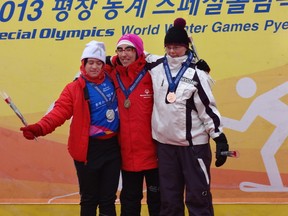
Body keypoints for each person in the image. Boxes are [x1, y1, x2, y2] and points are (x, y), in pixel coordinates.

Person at [20, 40, 121, 216]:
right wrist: (39, 128)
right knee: (89, 199)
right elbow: (58, 112)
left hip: (113, 148)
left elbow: (122, 59)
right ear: (83, 64)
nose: (95, 67)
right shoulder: (74, 88)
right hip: (88, 150)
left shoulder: (111, 77)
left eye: (98, 63)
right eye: (90, 62)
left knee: (108, 199)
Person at [145, 18, 229, 216]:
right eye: (169, 47)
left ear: (186, 47)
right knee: (169, 200)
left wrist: (220, 139)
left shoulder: (197, 74)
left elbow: (208, 109)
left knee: (198, 198)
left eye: (177, 47)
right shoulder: (155, 66)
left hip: (193, 148)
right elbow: (135, 53)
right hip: (165, 146)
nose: (172, 52)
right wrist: (110, 60)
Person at [105, 34, 160, 216]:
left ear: (138, 52)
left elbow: (174, 66)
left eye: (129, 49)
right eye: (120, 50)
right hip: (128, 154)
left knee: (158, 201)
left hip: (155, 153)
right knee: (129, 201)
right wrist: (108, 60)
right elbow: (92, 69)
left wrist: (197, 67)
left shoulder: (153, 72)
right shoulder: (113, 73)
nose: (124, 54)